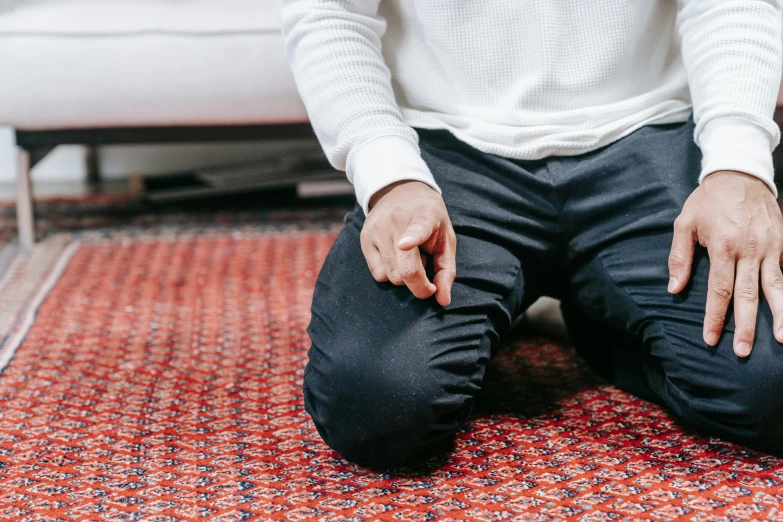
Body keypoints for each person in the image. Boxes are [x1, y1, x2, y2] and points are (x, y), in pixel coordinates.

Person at [277, 0, 783, 468]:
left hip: (650, 140)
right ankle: (543, 299)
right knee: (376, 409)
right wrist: (390, 175)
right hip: (444, 151)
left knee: (772, 391)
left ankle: (598, 322)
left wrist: (738, 165)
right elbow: (329, 13)